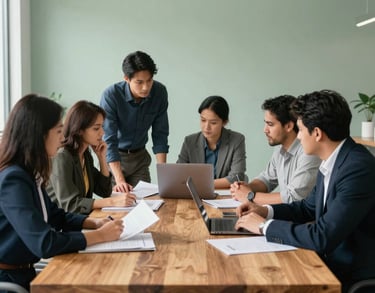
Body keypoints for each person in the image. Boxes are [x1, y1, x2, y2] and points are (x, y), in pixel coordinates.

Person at [235, 90, 375, 292]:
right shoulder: (334, 161)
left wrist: (264, 227)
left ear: (317, 133)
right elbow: (307, 208)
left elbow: (322, 236)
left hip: (350, 275)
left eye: (300, 130)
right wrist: (265, 211)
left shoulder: (357, 168)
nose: (298, 136)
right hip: (329, 263)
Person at [0, 94, 124, 291]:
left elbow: (55, 215)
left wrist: (93, 223)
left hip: (24, 274)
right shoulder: (13, 179)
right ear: (38, 134)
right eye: (58, 131)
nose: (62, 137)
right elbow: (44, 243)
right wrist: (100, 236)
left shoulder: (29, 172)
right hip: (10, 282)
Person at [47, 100, 136, 214]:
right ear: (79, 130)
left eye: (102, 127)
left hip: (78, 219)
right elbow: (70, 204)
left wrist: (102, 158)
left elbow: (104, 191)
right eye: (96, 128)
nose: (102, 132)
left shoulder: (85, 154)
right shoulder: (62, 157)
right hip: (60, 225)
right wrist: (112, 202)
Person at [231, 95, 321, 204]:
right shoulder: (280, 148)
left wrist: (250, 196)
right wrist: (245, 187)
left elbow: (294, 197)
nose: (265, 130)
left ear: (288, 126)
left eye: (270, 124)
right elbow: (267, 179)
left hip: (305, 219)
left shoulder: (309, 152)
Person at [100, 51, 169, 192]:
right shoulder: (111, 95)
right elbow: (109, 140)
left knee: (146, 204)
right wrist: (119, 180)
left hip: (140, 159)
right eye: (139, 82)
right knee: (119, 206)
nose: (145, 87)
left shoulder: (159, 92)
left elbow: (160, 135)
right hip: (116, 159)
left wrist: (164, 177)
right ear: (126, 78)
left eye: (149, 80)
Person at [177, 95, 247, 189]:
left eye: (213, 123)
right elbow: (178, 173)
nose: (206, 127)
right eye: (203, 120)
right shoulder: (190, 141)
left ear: (224, 122)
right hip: (195, 194)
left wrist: (201, 185)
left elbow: (236, 177)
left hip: (225, 196)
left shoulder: (237, 140)